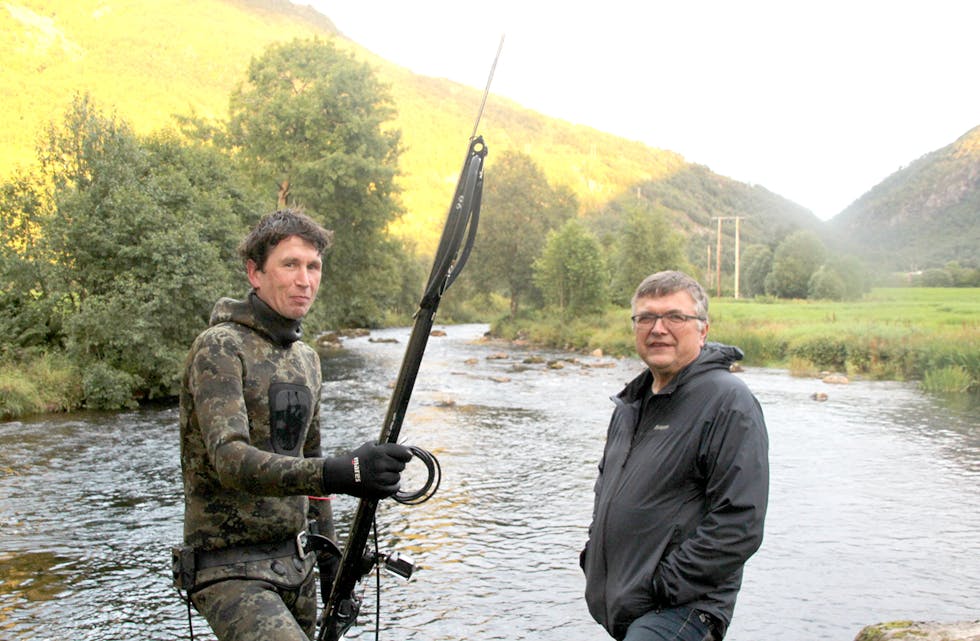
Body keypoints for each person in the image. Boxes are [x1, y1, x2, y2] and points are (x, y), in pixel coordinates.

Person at [176, 208, 412, 641]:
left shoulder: (307, 360)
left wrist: (332, 560)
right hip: (228, 568)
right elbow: (230, 459)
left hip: (296, 565)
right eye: (290, 265)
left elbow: (311, 461)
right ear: (255, 272)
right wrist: (343, 472)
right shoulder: (219, 348)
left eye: (313, 266)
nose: (305, 280)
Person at [581, 270, 769, 641]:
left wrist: (661, 585)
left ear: (703, 330)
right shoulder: (630, 406)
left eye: (675, 317)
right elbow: (606, 492)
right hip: (630, 603)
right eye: (646, 317)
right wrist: (594, 559)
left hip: (684, 609)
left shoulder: (728, 402)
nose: (658, 328)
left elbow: (740, 521)